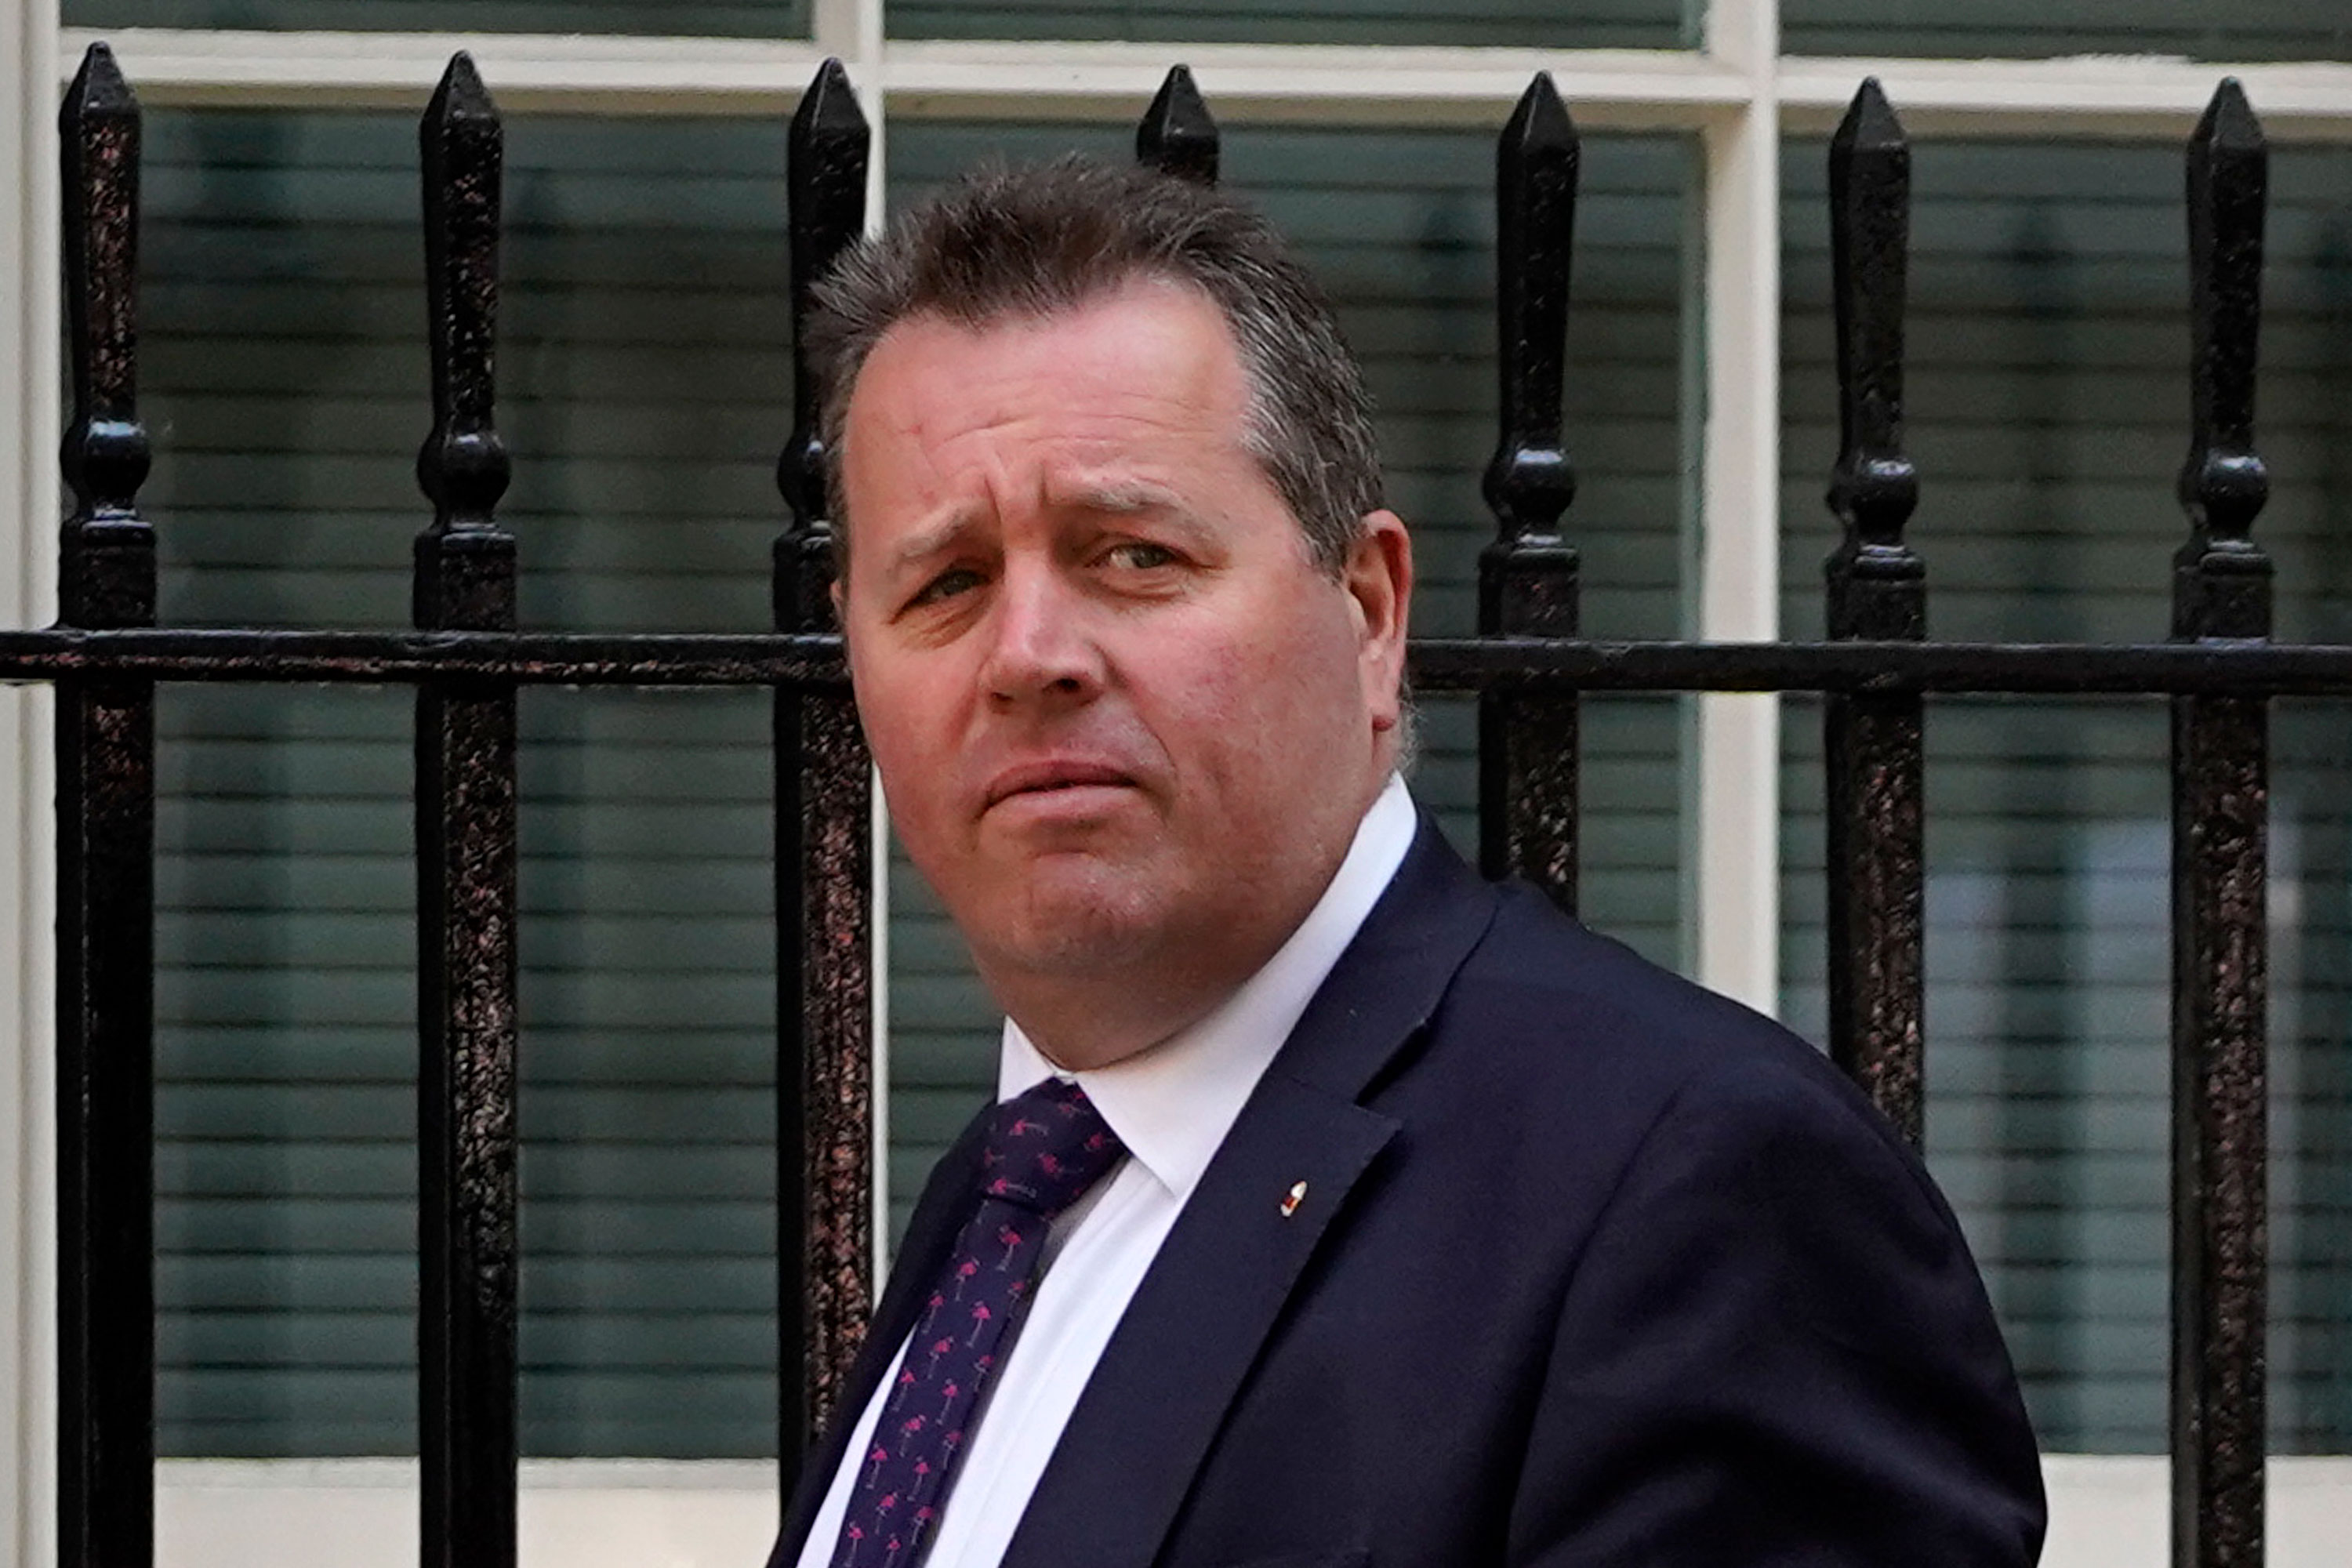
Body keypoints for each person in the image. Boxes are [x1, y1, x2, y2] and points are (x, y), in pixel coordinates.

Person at [766, 155, 2045, 1568]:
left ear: (1370, 614)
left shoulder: (1696, 1188)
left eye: (1132, 553)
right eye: (945, 584)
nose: (1032, 657)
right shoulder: (1014, 1198)